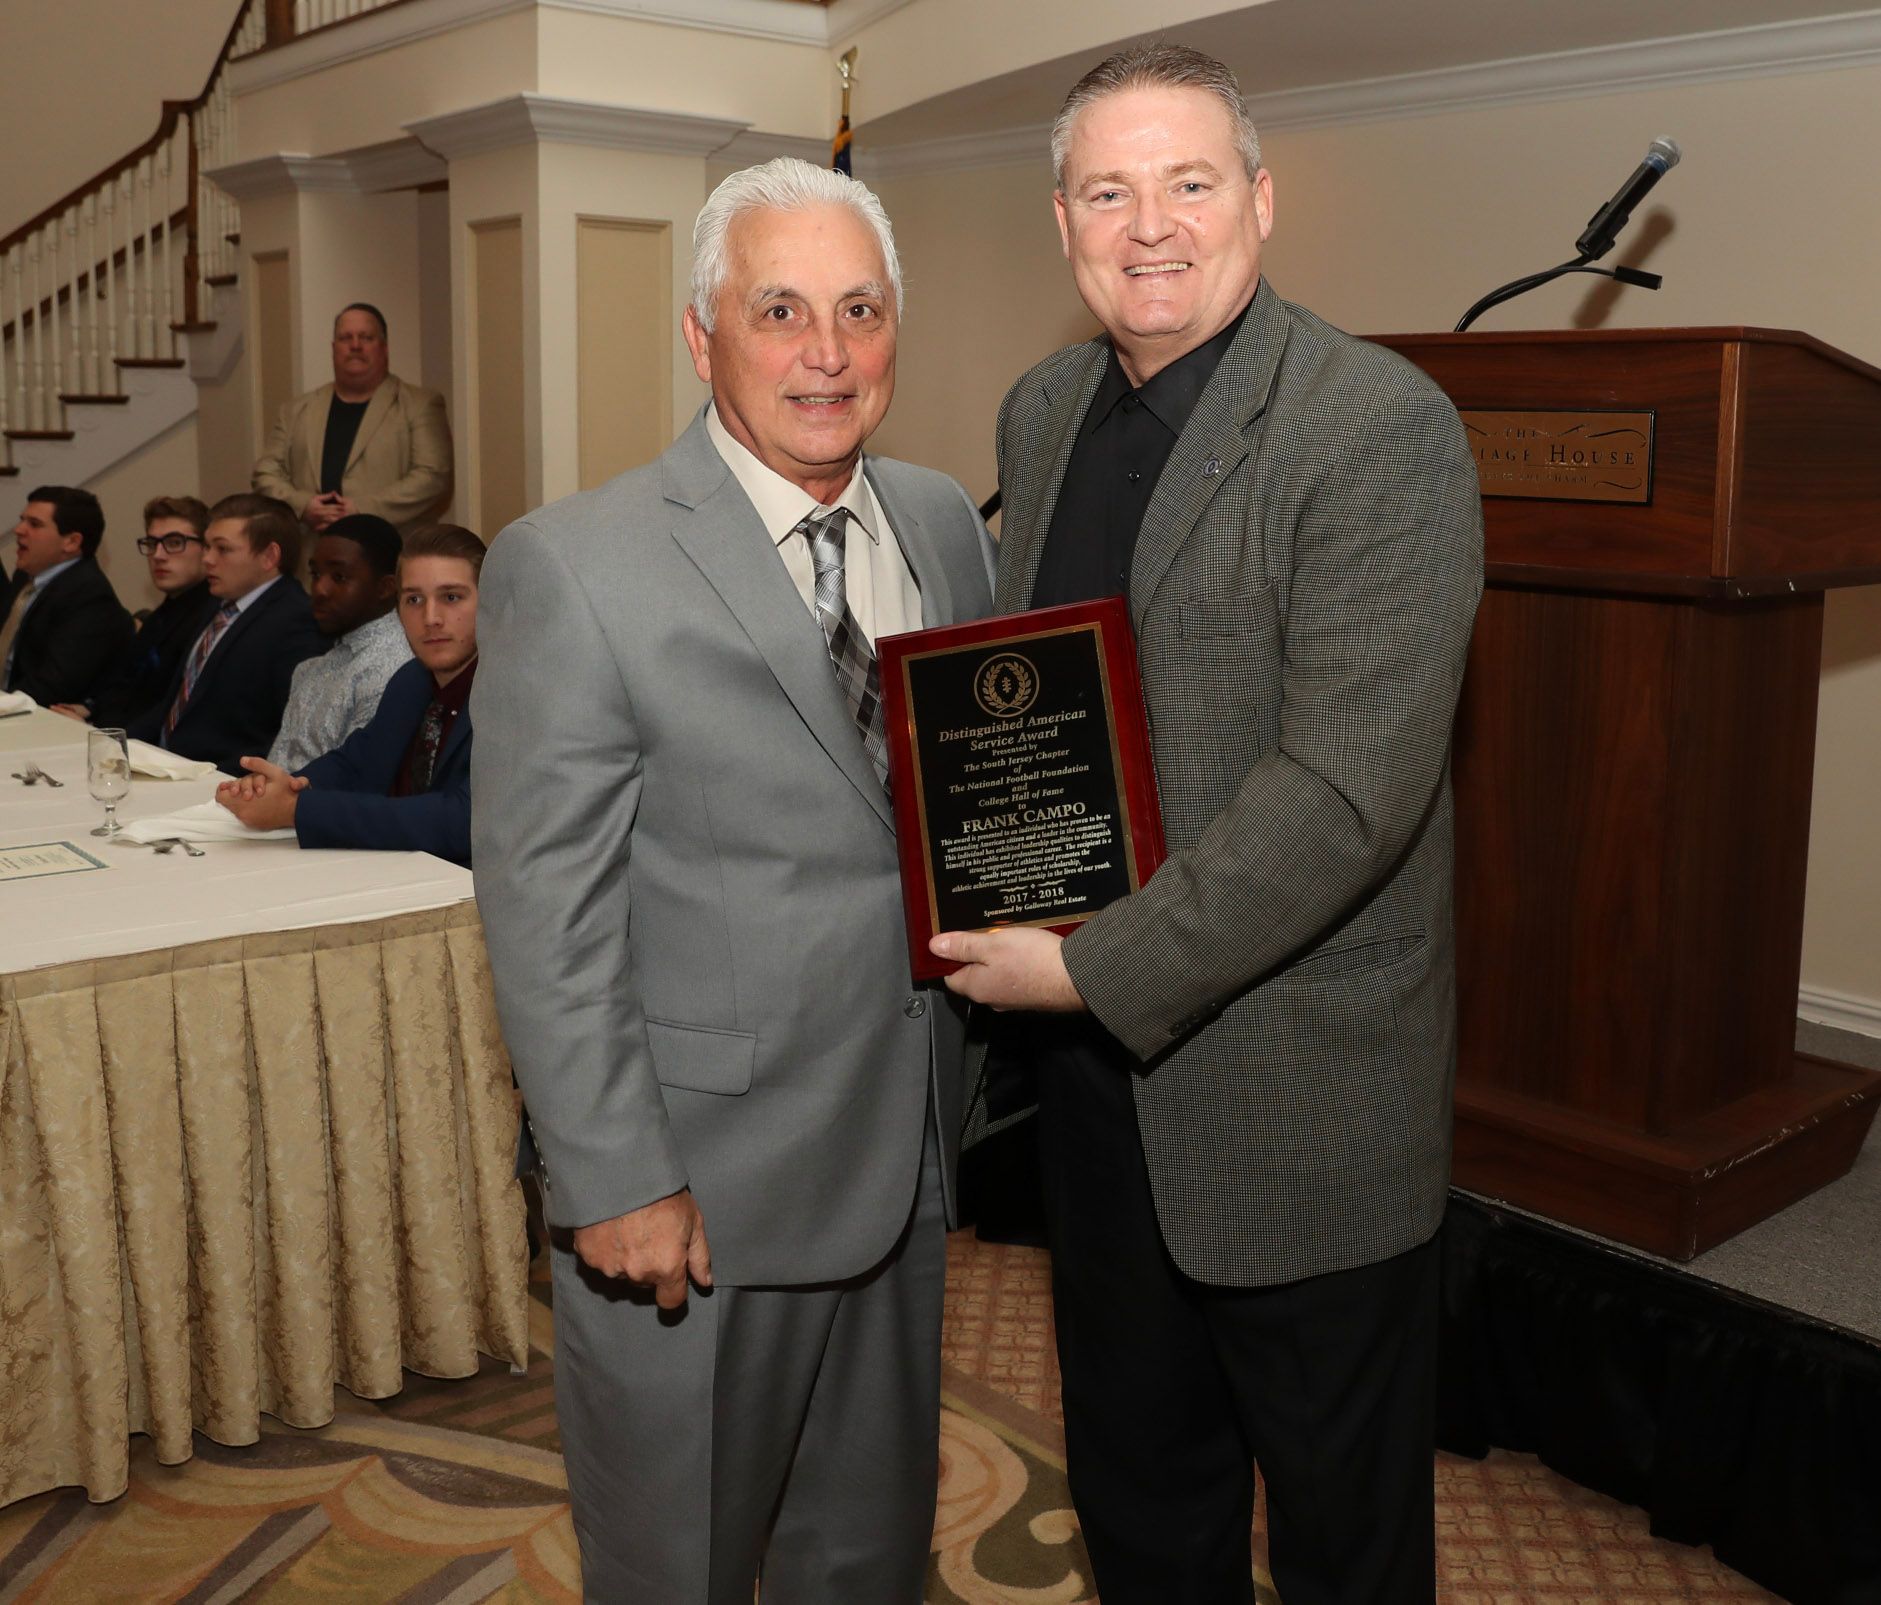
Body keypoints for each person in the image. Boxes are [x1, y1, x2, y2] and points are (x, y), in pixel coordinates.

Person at [932, 45, 1484, 1605]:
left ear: (1259, 199)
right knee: (1140, 1489)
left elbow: (1345, 793)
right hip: (1096, 1100)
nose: (1150, 225)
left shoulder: (1376, 426)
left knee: (1342, 1534)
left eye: (1188, 182)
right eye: (1109, 190)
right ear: (1063, 222)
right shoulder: (1042, 407)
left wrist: (1092, 968)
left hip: (1295, 1096)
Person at [471, 157, 994, 1602]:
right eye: (779, 309)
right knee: (678, 1564)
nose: (825, 353)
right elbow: (543, 909)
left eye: (859, 309)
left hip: (902, 1155)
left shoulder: (946, 522)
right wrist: (617, 1175)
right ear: (703, 337)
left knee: (864, 1552)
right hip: (691, 1201)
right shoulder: (573, 566)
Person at [216, 524, 483, 865]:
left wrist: (299, 810)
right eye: (414, 599)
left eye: (451, 597)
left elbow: (463, 821)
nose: (430, 618)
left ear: (488, 602)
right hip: (395, 873)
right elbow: (356, 764)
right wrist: (285, 787)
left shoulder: (515, 693)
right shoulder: (412, 679)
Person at [128, 493, 325, 774]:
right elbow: (176, 704)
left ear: (269, 556)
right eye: (207, 546)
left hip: (217, 780)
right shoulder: (219, 605)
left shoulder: (296, 622)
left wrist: (208, 777)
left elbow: (288, 737)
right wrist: (116, 742)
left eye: (222, 549)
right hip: (167, 766)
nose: (207, 559)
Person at [251, 302, 452, 533]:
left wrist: (360, 509)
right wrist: (304, 505)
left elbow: (432, 477)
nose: (355, 345)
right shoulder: (297, 410)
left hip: (388, 553)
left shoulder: (419, 404)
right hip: (313, 556)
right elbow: (265, 472)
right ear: (334, 347)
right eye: (346, 338)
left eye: (366, 337)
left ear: (384, 348)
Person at [52, 495, 220, 728]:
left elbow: (168, 710)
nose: (158, 555)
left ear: (206, 548)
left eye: (174, 542)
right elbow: (128, 683)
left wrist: (96, 730)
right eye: (152, 543)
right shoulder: (166, 610)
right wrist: (91, 707)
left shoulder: (211, 618)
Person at [266, 512, 411, 770]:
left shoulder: (393, 671)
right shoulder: (311, 669)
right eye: (315, 574)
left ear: (386, 588)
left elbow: (356, 780)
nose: (319, 589)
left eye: (339, 577)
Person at [1, 486, 133, 706]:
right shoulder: (24, 577)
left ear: (71, 542)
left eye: (34, 524)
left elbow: (51, 686)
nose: (19, 530)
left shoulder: (90, 597)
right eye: (22, 520)